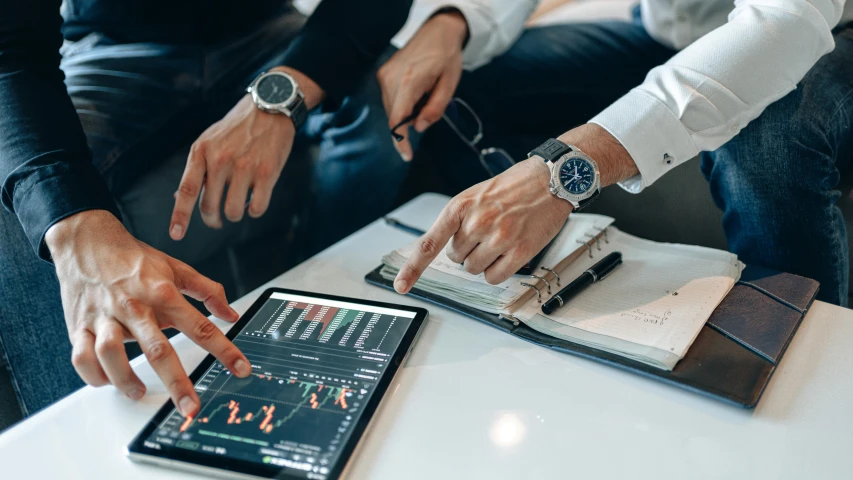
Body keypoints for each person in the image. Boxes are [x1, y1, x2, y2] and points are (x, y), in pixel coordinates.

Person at [0, 0, 415, 418]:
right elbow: (10, 53)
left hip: (269, 35)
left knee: (391, 91)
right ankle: (71, 444)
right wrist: (75, 227)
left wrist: (279, 96)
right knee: (24, 212)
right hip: (115, 50)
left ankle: (335, 306)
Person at [392, 0, 853, 308]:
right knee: (463, 84)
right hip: (669, 30)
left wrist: (562, 170)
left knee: (766, 139)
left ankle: (793, 353)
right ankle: (503, 265)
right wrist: (453, 20)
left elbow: (787, 22)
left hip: (826, 29)